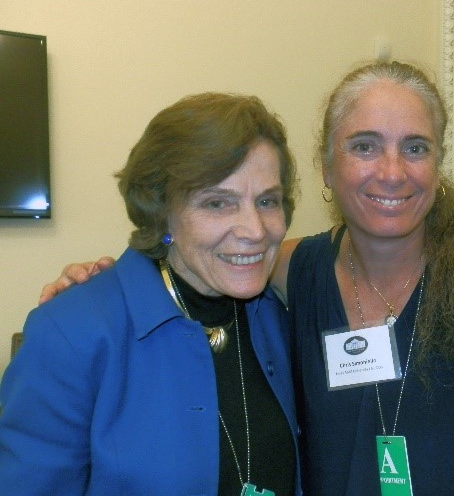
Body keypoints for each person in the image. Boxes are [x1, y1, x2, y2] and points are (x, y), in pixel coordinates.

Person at [37, 62, 454, 495]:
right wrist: (98, 280)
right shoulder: (290, 269)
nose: (392, 171)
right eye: (365, 146)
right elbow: (200, 257)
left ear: (437, 165)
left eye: (415, 148)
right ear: (327, 165)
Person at [0, 92, 302, 495]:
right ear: (162, 212)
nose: (255, 230)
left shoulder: (282, 312)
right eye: (217, 203)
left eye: (267, 201)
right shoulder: (71, 333)